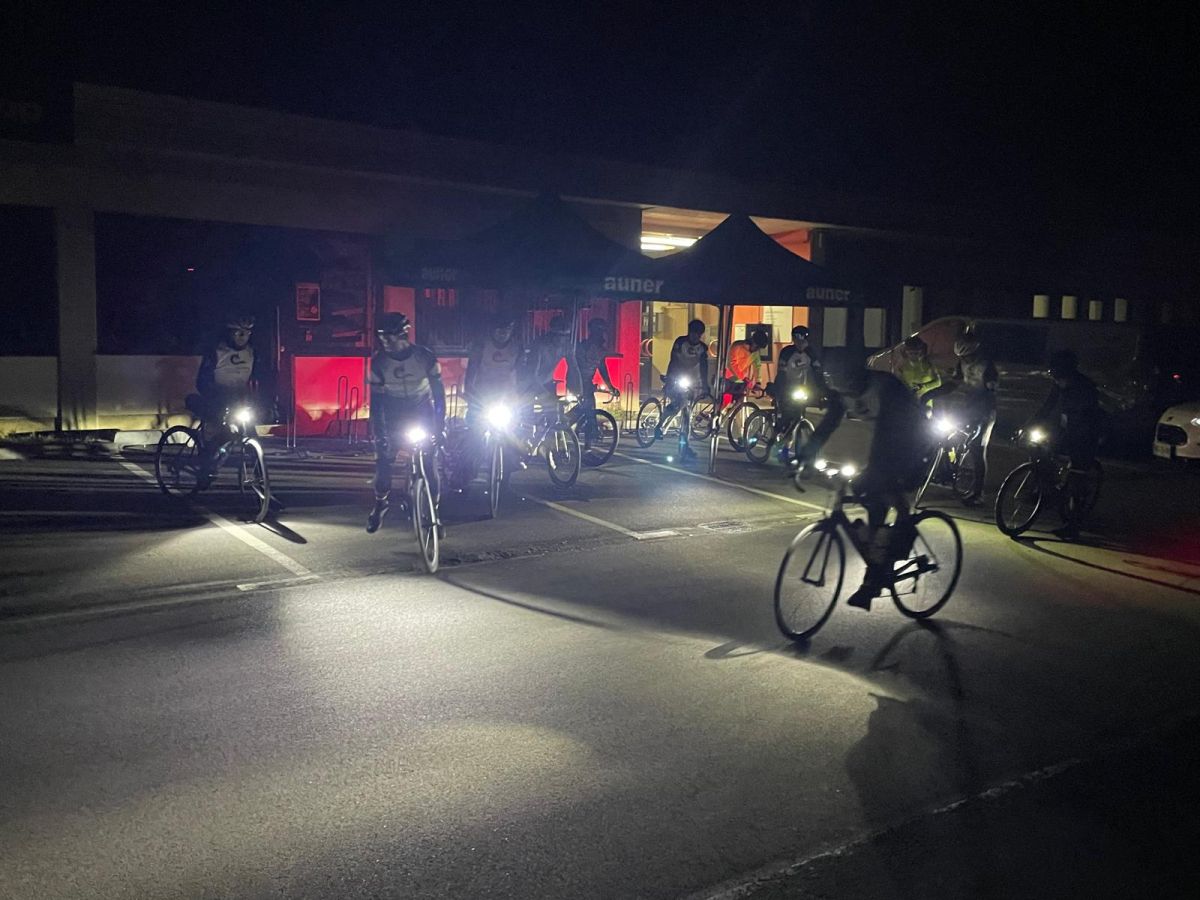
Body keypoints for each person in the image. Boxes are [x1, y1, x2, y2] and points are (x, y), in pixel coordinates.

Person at [798, 364, 931, 610]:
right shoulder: (842, 391)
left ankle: (887, 556)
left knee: (878, 488)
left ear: (859, 378)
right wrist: (804, 455)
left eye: (849, 387)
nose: (845, 393)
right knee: (866, 492)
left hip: (916, 443)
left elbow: (888, 437)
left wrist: (873, 473)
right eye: (840, 388)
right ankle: (877, 553)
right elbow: (828, 424)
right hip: (889, 443)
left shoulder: (885, 388)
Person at [365, 313, 447, 534]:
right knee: (384, 462)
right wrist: (380, 434)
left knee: (429, 463)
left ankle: (435, 513)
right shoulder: (378, 363)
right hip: (394, 413)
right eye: (381, 338)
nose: (385, 343)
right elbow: (376, 403)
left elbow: (439, 395)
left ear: (403, 335)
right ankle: (380, 504)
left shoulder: (425, 357)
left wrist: (440, 427)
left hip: (422, 411)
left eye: (389, 338)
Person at [1031, 349, 1103, 540]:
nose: (1054, 377)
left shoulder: (1085, 388)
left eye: (1056, 372)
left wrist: (1072, 435)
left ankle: (1073, 525)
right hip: (1068, 430)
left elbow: (1087, 417)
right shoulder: (1059, 384)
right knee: (1038, 448)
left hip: (1086, 435)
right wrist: (1029, 425)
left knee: (1076, 479)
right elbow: (1047, 406)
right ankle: (1046, 489)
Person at [193, 313, 262, 473]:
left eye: (247, 333)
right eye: (238, 333)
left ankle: (260, 475)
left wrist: (263, 400)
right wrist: (217, 397)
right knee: (222, 433)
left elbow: (258, 378)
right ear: (230, 333)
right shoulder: (217, 351)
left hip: (239, 400)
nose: (243, 337)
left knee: (251, 434)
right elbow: (202, 381)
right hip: (218, 398)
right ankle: (206, 468)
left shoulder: (251, 353)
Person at [951, 329, 998, 505]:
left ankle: (978, 493)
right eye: (962, 358)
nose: (964, 360)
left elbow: (990, 394)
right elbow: (954, 383)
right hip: (968, 409)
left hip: (984, 412)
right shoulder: (961, 363)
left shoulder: (987, 366)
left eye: (967, 357)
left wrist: (980, 419)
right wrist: (931, 395)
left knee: (977, 449)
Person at [656, 318, 711, 460]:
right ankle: (660, 425)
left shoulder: (703, 349)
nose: (695, 337)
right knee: (678, 405)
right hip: (677, 377)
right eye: (693, 333)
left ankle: (685, 446)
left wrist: (705, 385)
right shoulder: (680, 343)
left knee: (687, 416)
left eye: (698, 334)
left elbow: (704, 367)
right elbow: (673, 360)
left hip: (692, 382)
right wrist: (670, 378)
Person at [768, 324, 821, 463]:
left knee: (797, 419)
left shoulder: (811, 353)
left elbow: (818, 373)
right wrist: (780, 391)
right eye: (797, 341)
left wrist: (822, 391)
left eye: (803, 341)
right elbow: (781, 374)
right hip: (786, 387)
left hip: (801, 389)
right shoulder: (787, 352)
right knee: (786, 418)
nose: (801, 344)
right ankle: (772, 441)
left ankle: (786, 449)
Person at [566, 318, 620, 440]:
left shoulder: (599, 349)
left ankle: (584, 431)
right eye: (600, 332)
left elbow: (603, 369)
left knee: (588, 407)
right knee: (587, 406)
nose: (602, 335)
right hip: (577, 381)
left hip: (586, 382)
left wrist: (611, 387)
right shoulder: (582, 347)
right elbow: (575, 367)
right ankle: (566, 425)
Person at [465, 314, 525, 421]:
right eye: (499, 331)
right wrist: (469, 392)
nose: (502, 335)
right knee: (474, 424)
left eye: (506, 331)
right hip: (483, 394)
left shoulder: (516, 348)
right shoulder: (481, 346)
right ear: (492, 331)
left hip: (507, 396)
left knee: (515, 424)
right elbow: (472, 369)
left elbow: (521, 373)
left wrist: (522, 393)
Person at [893, 334, 942, 405]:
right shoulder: (901, 365)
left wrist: (923, 386)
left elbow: (938, 382)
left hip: (925, 405)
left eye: (916, 353)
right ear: (906, 352)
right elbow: (897, 383)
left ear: (921, 351)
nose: (913, 356)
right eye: (910, 353)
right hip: (907, 404)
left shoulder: (928, 364)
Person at [724, 328, 769, 403]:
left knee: (739, 402)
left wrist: (758, 382)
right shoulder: (737, 346)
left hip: (741, 380)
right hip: (728, 378)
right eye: (756, 346)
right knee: (726, 400)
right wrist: (743, 378)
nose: (757, 349)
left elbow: (757, 366)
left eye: (759, 348)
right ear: (752, 341)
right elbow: (731, 364)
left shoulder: (755, 353)